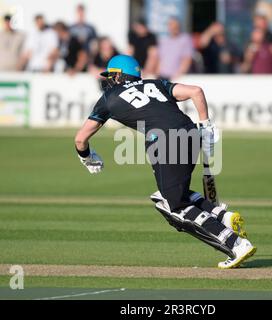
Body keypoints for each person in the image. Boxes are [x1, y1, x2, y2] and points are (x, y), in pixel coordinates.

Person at [74, 54, 256, 269]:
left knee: (173, 206)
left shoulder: (109, 98)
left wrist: (86, 157)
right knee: (171, 193)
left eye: (111, 76)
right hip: (190, 134)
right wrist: (205, 124)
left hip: (164, 142)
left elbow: (80, 138)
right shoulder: (156, 84)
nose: (109, 81)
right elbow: (196, 91)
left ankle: (235, 243)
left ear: (119, 76)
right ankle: (222, 216)